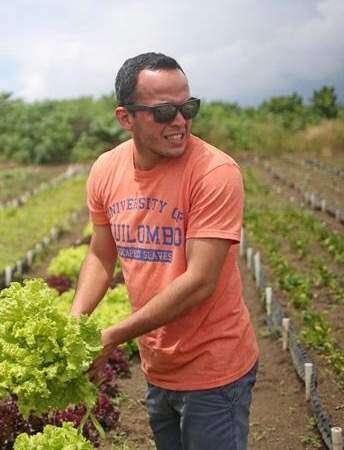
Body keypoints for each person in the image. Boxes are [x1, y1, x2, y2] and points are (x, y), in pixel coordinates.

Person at [69, 52, 259, 450]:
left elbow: (200, 281)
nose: (180, 122)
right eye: (164, 112)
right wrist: (75, 322)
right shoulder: (106, 170)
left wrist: (113, 336)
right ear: (126, 118)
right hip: (157, 364)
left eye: (188, 108)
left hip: (214, 369)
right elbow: (101, 255)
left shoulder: (214, 173)